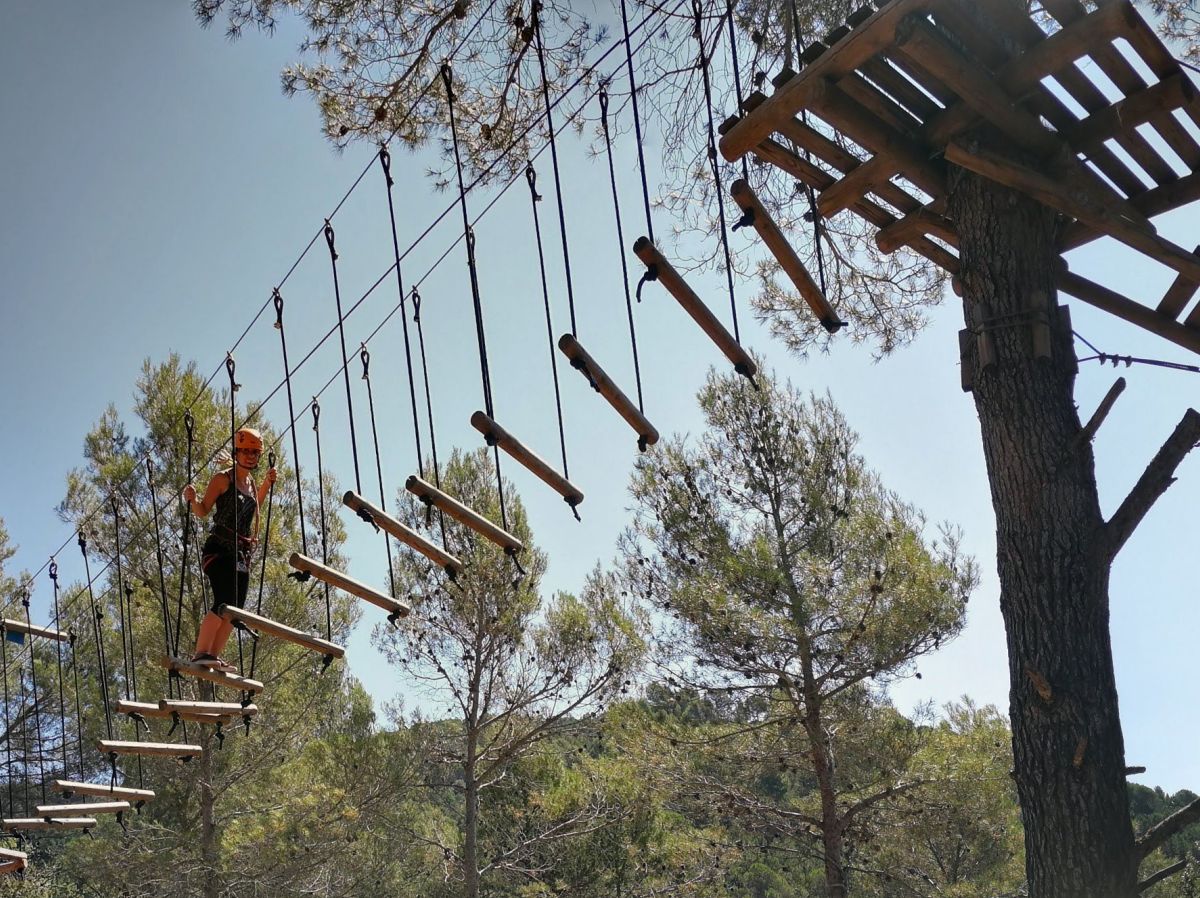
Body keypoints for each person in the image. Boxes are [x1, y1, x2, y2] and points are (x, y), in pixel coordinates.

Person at [182, 427, 277, 672]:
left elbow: (255, 508)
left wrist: (267, 483)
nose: (250, 457)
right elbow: (203, 511)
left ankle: (212, 655)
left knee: (236, 611)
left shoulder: (251, 485)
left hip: (240, 554)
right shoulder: (223, 479)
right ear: (236, 452)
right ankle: (201, 652)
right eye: (245, 451)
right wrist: (192, 500)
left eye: (254, 453)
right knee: (224, 600)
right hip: (218, 549)